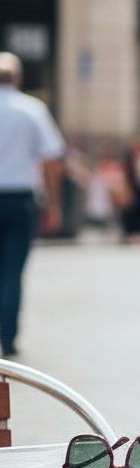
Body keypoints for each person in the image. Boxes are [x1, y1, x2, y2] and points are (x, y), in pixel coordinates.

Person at [0, 51, 64, 358]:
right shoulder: (32, 110)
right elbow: (51, 159)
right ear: (18, 79)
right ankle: (8, 338)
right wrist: (53, 203)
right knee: (12, 272)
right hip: (19, 200)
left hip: (17, 197)